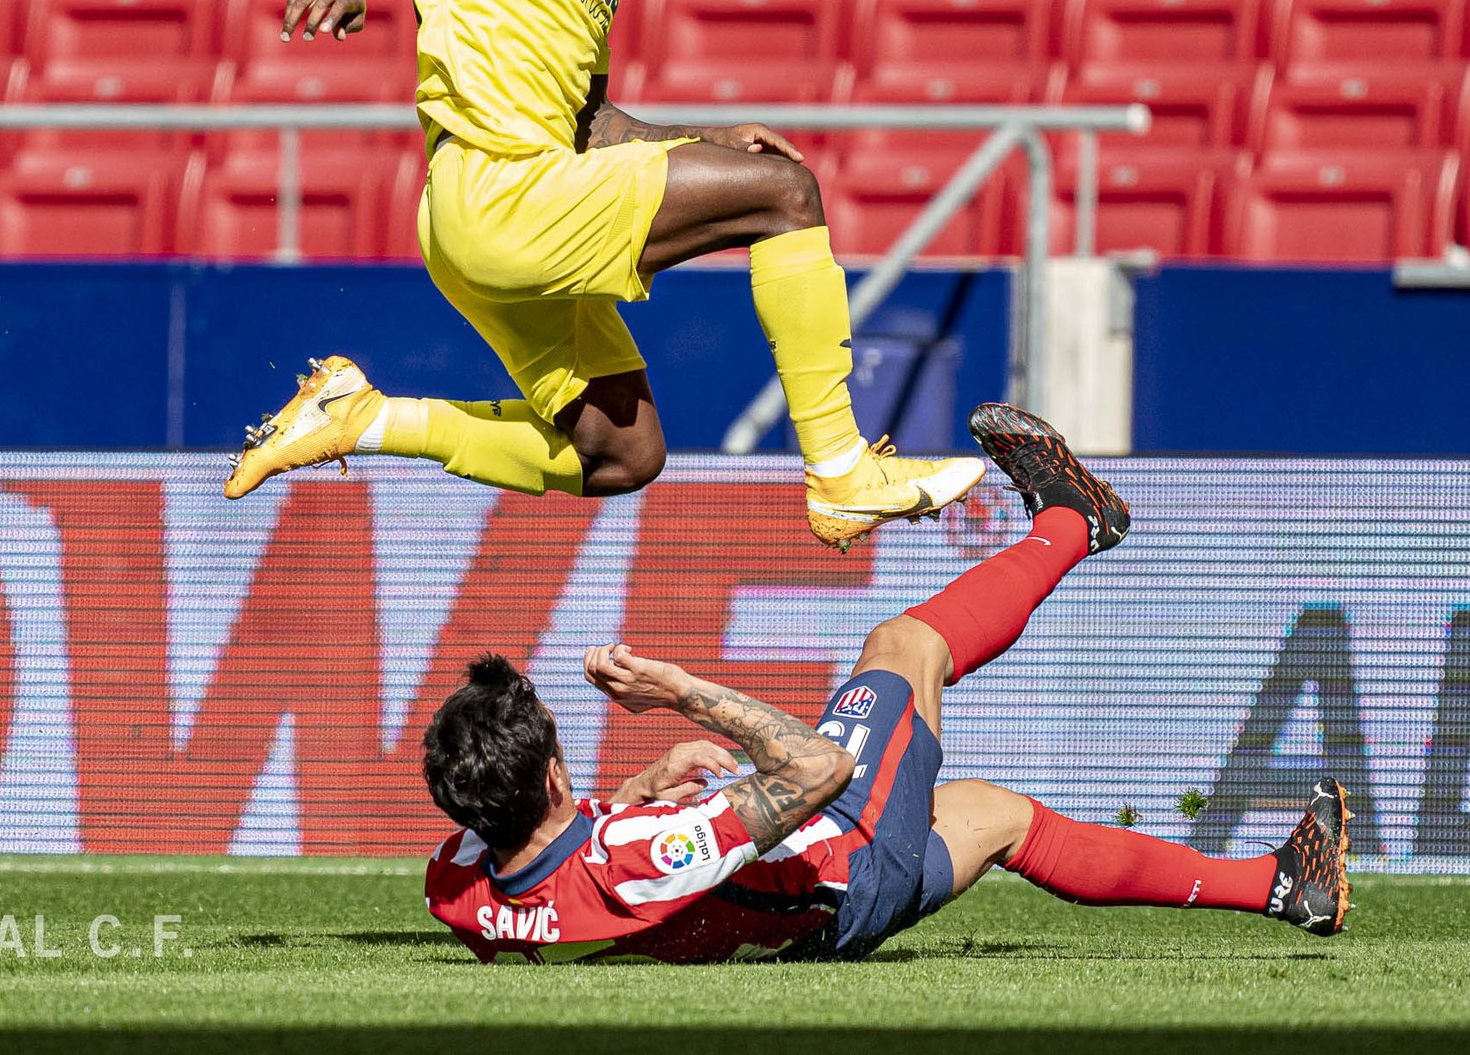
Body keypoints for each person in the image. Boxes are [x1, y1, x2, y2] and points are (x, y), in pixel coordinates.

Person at [221, 0, 983, 552]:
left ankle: (362, 418)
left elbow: (592, 124)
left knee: (623, 453)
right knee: (787, 197)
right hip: (493, 193)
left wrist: (707, 137)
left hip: (514, 207)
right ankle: (841, 472)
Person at [419, 403, 1353, 963]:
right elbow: (817, 770)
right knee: (904, 645)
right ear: (550, 774)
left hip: (810, 921)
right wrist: (680, 690)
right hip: (842, 861)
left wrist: (639, 785)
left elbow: (559, 858)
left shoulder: (458, 889)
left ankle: (1284, 886)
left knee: (996, 817)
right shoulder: (632, 862)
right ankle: (1076, 521)